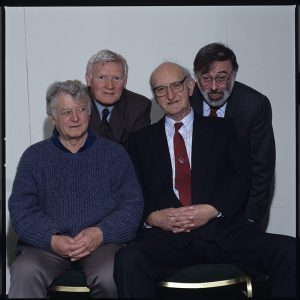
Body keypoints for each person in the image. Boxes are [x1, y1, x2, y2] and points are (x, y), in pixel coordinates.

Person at [113, 62, 296, 298]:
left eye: (176, 85)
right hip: (168, 239)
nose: (170, 95)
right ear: (155, 97)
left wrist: (212, 210)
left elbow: (241, 177)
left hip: (222, 234)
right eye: (160, 89)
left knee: (290, 251)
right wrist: (152, 217)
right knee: (128, 260)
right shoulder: (140, 141)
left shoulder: (225, 129)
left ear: (190, 87)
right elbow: (132, 191)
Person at [8, 80, 144, 298]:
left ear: (89, 114)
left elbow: (132, 205)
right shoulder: (34, 157)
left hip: (102, 244)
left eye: (81, 110)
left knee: (111, 275)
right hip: (46, 247)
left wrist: (100, 233)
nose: (75, 118)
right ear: (52, 119)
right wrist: (52, 238)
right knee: (25, 271)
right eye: (66, 112)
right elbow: (21, 209)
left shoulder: (114, 154)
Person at [190, 43, 275, 224]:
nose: (214, 87)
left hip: (241, 208)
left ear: (234, 75)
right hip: (195, 209)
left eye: (221, 78)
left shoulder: (254, 105)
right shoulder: (187, 101)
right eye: (206, 78)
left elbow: (262, 168)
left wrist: (251, 219)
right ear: (196, 78)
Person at [86, 49, 152, 150]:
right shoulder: (73, 103)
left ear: (125, 81)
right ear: (88, 79)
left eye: (116, 78)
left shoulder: (139, 107)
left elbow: (139, 153)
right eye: (102, 77)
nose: (109, 86)